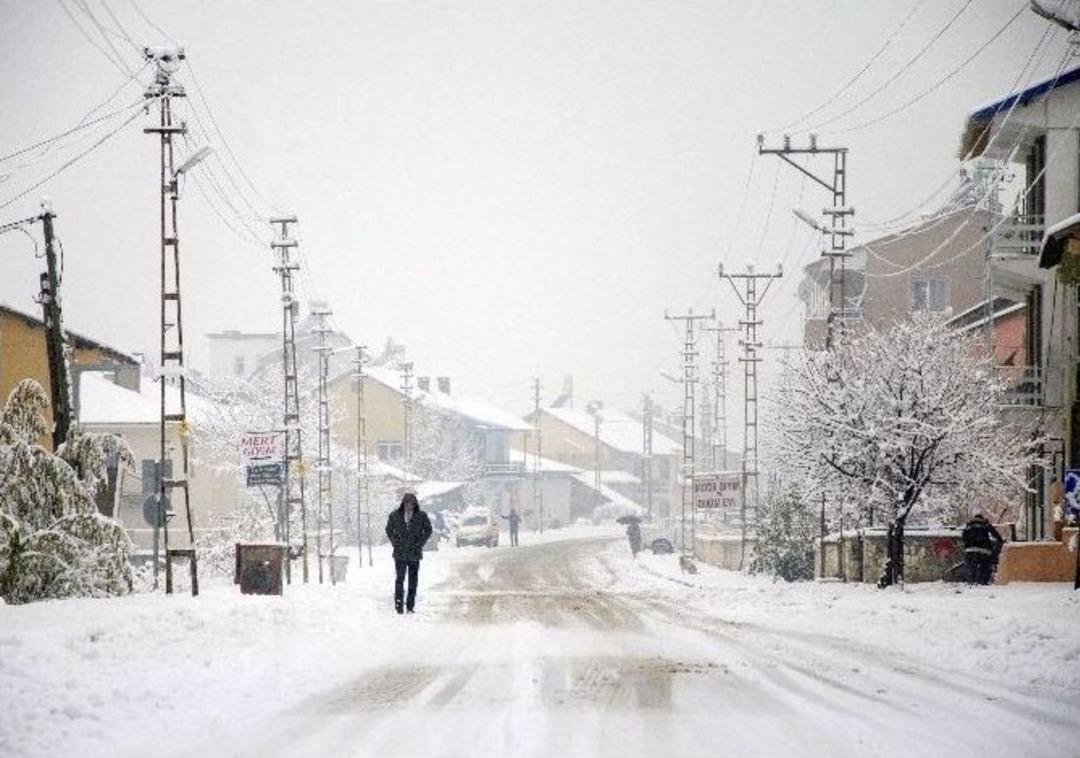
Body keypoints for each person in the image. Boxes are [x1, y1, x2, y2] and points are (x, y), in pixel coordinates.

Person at [385, 492, 433, 614]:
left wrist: (420, 543)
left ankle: (410, 605)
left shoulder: (421, 516)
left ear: (415, 504)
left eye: (411, 504)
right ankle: (399, 605)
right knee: (399, 579)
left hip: (414, 553)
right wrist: (395, 542)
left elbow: (428, 530)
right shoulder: (395, 515)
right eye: (407, 503)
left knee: (413, 581)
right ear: (403, 503)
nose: (409, 506)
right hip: (400, 553)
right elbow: (389, 529)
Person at [962, 513, 1004, 585]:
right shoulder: (985, 524)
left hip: (971, 550)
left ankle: (972, 581)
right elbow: (995, 534)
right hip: (984, 550)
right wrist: (1001, 541)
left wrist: (967, 546)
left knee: (971, 568)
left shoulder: (969, 525)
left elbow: (964, 536)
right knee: (984, 567)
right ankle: (983, 581)